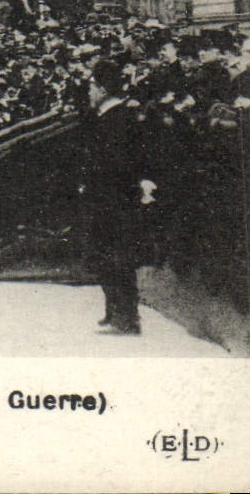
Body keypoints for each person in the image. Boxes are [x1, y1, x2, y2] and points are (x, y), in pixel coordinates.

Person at [81, 58, 158, 335]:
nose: (88, 92)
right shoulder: (108, 116)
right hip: (107, 199)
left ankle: (126, 316)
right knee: (108, 257)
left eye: (91, 86)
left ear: (102, 89)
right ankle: (115, 311)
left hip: (114, 201)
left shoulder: (119, 119)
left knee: (118, 258)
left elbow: (120, 162)